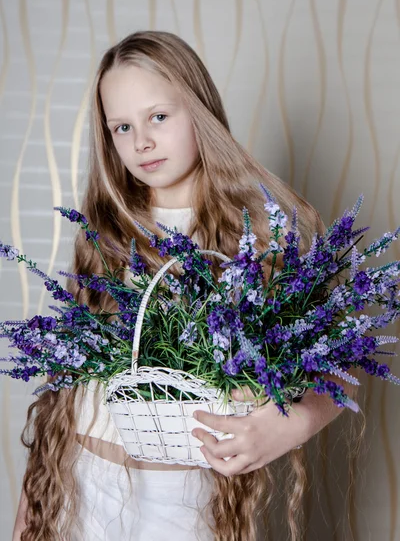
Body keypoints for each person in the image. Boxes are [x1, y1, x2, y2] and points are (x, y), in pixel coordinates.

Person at [12, 30, 357, 541]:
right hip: (74, 488)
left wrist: (292, 425)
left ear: (198, 110)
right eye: (121, 127)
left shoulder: (257, 237)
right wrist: (27, 518)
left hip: (184, 504)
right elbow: (68, 389)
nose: (141, 142)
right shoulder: (107, 230)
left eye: (158, 117)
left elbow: (346, 363)